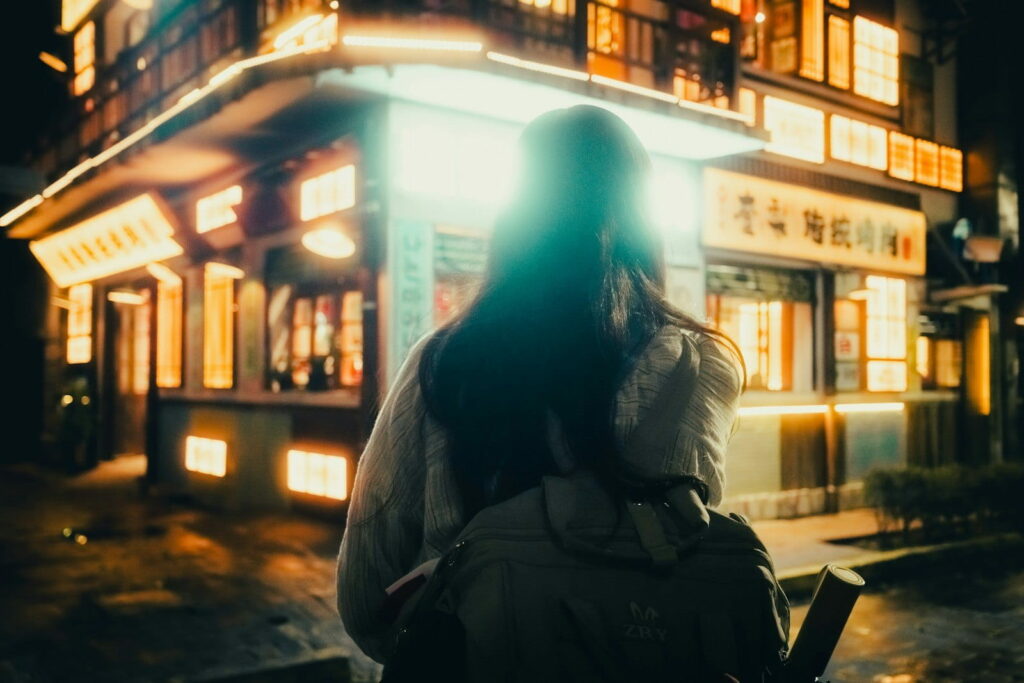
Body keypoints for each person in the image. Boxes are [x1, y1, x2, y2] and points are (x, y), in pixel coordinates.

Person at [336, 105, 745, 665]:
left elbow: (366, 600)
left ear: (517, 211)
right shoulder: (700, 365)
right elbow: (682, 545)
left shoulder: (443, 362)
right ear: (641, 214)